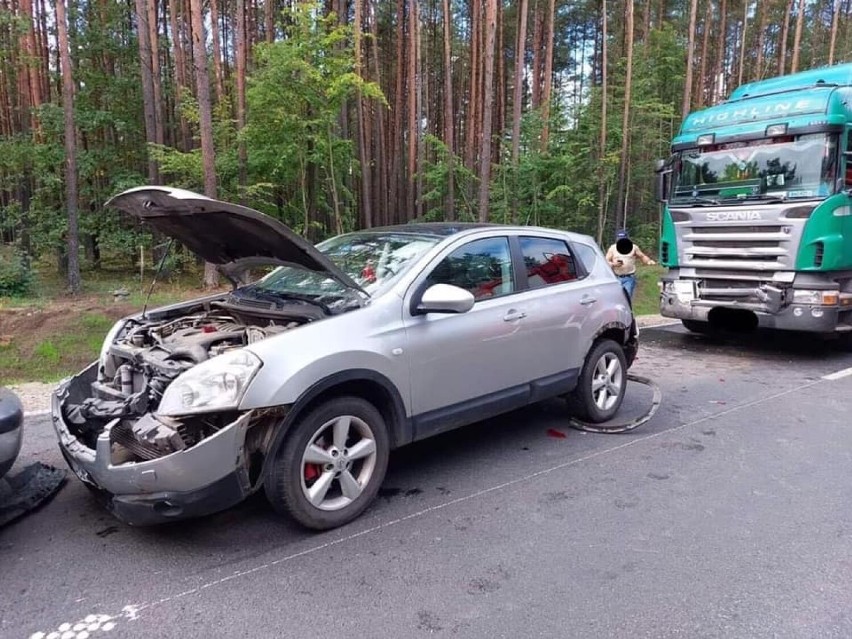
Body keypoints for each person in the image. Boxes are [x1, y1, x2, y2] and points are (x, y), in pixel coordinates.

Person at [606, 230, 656, 300]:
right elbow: (606, 261)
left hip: (629, 278)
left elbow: (642, 256)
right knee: (616, 298)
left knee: (627, 297)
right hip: (616, 278)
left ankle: (627, 310)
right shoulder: (612, 248)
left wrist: (648, 261)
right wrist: (614, 264)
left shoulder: (633, 247)